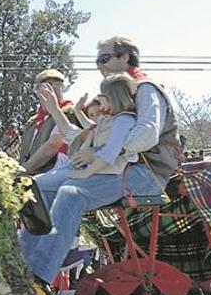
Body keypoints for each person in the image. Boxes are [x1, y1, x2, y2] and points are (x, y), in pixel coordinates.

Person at [24, 36, 181, 286]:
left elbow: (147, 134)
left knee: (72, 192)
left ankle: (38, 277)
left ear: (125, 57)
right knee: (34, 188)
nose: (100, 65)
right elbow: (83, 139)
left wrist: (100, 153)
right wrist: (55, 111)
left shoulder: (145, 88)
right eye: (97, 61)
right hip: (113, 169)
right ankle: (17, 265)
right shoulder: (115, 101)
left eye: (104, 59)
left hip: (145, 174)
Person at [21, 73, 141, 284]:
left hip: (100, 173)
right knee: (38, 190)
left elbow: (110, 152)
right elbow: (74, 133)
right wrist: (61, 110)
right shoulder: (106, 121)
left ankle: (35, 268)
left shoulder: (123, 120)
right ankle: (20, 260)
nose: (100, 99)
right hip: (80, 168)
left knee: (33, 185)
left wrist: (84, 173)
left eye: (103, 96)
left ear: (114, 97)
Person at [18, 69, 77, 175]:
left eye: (57, 85)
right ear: (37, 90)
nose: (52, 90)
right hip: (27, 179)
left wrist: (21, 171)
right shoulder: (32, 121)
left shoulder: (69, 113)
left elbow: (53, 146)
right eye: (47, 85)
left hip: (49, 180)